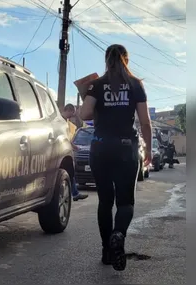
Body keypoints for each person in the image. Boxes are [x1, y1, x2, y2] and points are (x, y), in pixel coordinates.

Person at [79, 44, 152, 271]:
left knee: (105, 201)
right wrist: (148, 148)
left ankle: (106, 252)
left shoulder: (97, 84)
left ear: (106, 60)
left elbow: (85, 114)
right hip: (125, 148)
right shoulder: (135, 85)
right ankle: (118, 235)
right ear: (126, 60)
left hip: (100, 149)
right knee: (125, 202)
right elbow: (145, 121)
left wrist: (88, 94)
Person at [62, 105, 88, 202]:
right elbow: (64, 138)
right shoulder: (61, 121)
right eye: (73, 112)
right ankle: (73, 193)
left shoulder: (65, 121)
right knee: (68, 173)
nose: (73, 115)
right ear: (68, 110)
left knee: (70, 173)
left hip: (65, 151)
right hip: (62, 152)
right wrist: (73, 146)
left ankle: (75, 193)